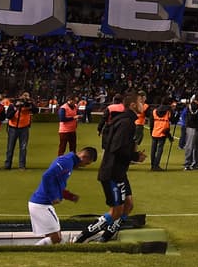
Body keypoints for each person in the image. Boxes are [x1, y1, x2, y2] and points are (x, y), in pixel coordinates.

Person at [74, 92, 147, 243]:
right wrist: (135, 157)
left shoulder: (122, 120)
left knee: (128, 205)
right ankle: (82, 236)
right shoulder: (126, 123)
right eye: (141, 101)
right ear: (133, 105)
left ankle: (105, 237)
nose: (144, 103)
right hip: (113, 172)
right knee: (116, 211)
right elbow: (116, 148)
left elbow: (109, 142)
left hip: (118, 171)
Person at [28, 147, 98, 245]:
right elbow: (47, 176)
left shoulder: (68, 161)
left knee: (54, 238)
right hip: (42, 205)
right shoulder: (66, 162)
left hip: (41, 204)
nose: (84, 166)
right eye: (86, 163)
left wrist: (69, 196)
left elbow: (56, 183)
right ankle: (31, 252)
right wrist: (53, 197)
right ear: (84, 157)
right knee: (56, 239)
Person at [4, 91, 35, 170]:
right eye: (24, 96)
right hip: (13, 127)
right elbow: (8, 116)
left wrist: (30, 104)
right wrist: (16, 108)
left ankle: (22, 165)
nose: (25, 97)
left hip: (24, 128)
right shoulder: (13, 104)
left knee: (23, 148)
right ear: (20, 96)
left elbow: (35, 111)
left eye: (27, 96)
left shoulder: (29, 104)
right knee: (10, 147)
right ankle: (8, 165)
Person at [149, 98, 177, 170]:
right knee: (159, 149)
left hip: (155, 132)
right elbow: (173, 120)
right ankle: (156, 165)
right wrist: (176, 113)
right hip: (163, 131)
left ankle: (152, 165)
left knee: (153, 149)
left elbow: (151, 123)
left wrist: (151, 131)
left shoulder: (154, 111)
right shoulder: (168, 111)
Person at [183, 95, 198, 170]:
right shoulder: (191, 106)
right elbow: (191, 118)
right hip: (192, 128)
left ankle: (195, 163)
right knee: (190, 146)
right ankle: (187, 164)